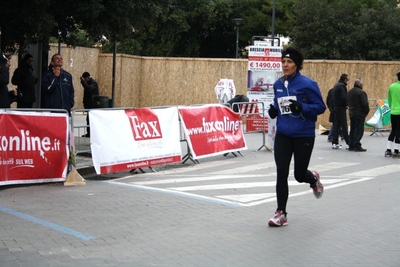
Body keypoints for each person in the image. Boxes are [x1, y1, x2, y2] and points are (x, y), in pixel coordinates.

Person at [267, 46, 326, 227]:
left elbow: (321, 107)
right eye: (283, 62)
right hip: (284, 134)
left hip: (303, 135)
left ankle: (313, 179)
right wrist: (273, 110)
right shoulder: (278, 84)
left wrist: (302, 107)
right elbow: (279, 106)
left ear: (297, 65)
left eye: (289, 62)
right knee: (281, 172)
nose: (285, 65)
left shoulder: (308, 84)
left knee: (299, 175)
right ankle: (281, 213)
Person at [347, 78, 369, 152]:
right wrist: (366, 112)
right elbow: (364, 104)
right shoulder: (361, 93)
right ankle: (357, 145)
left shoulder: (349, 92)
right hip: (359, 113)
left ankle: (351, 144)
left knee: (353, 129)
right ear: (360, 85)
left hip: (352, 113)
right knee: (359, 129)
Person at [331, 74, 350, 149]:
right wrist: (346, 105)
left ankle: (334, 142)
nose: (347, 81)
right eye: (347, 79)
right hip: (340, 108)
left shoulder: (336, 85)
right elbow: (343, 97)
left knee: (336, 125)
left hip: (335, 107)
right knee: (344, 125)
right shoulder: (342, 86)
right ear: (345, 79)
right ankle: (348, 142)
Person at [385, 72, 400, 158]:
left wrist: (392, 107)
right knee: (399, 132)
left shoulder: (392, 86)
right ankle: (397, 150)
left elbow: (389, 100)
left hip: (393, 112)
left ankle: (388, 149)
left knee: (393, 130)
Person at [80, 71, 99, 137]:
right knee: (88, 119)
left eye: (85, 80)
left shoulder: (93, 83)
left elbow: (89, 89)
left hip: (93, 105)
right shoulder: (89, 83)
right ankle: (88, 133)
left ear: (87, 78)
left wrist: (83, 82)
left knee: (91, 119)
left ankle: (91, 133)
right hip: (89, 105)